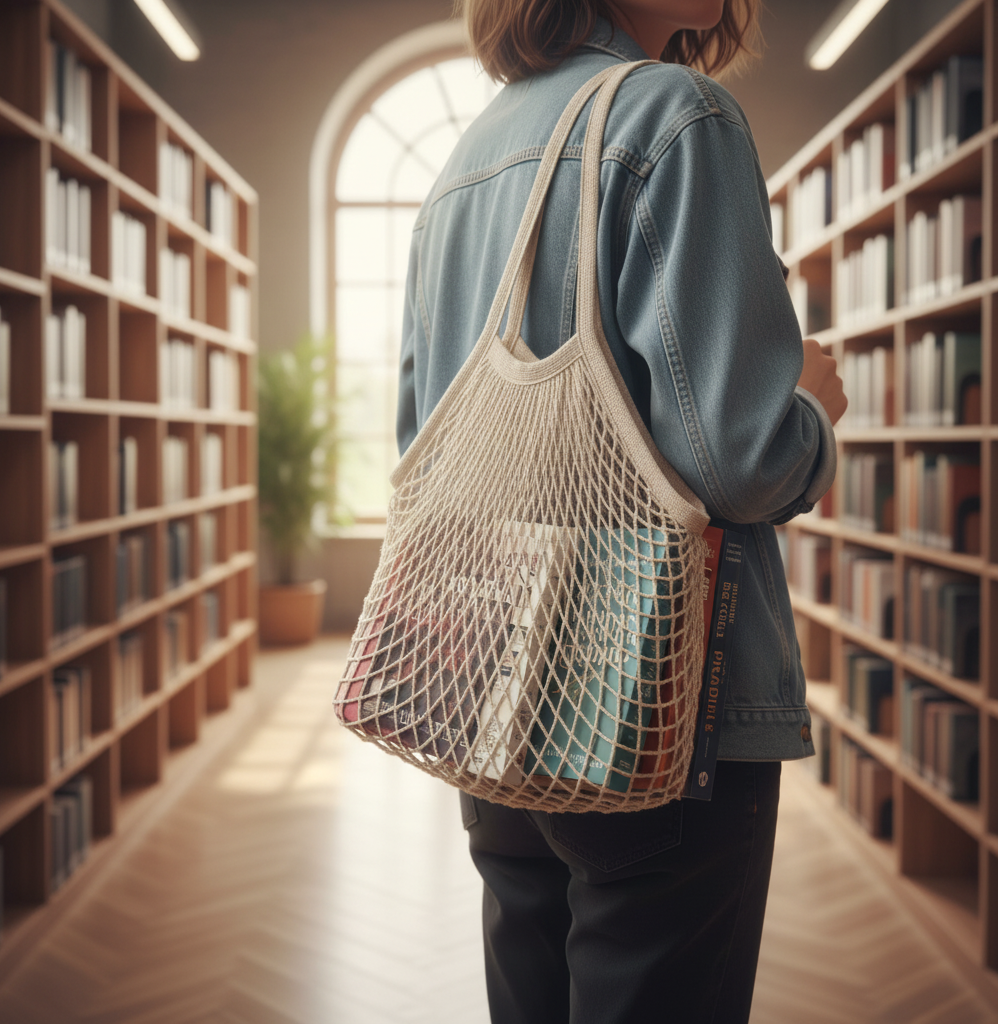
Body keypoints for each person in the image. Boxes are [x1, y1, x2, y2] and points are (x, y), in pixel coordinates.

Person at [395, 1, 847, 1021]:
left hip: (498, 696)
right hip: (654, 706)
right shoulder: (676, 118)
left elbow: (417, 446)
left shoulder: (463, 161)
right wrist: (813, 404)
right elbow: (739, 463)